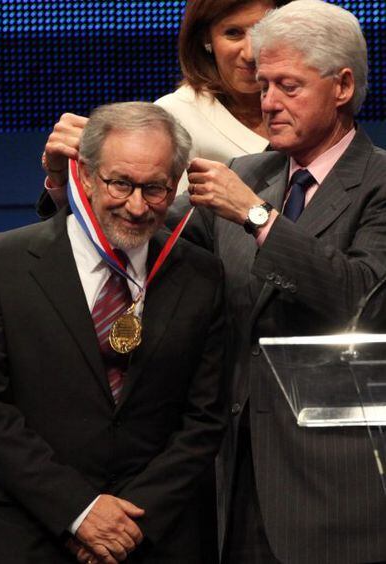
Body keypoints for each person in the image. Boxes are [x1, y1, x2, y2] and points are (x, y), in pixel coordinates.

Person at [168, 1, 386, 562]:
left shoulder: (379, 184)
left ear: (341, 86)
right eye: (263, 86)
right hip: (234, 483)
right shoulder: (250, 175)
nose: (268, 104)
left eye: (288, 86)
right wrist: (68, 187)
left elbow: (359, 301)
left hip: (338, 496)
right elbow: (159, 253)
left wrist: (259, 219)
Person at [0, 102, 226, 564]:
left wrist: (129, 524)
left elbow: (205, 419)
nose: (135, 204)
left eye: (154, 188)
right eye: (120, 183)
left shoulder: (202, 276)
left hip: (158, 536)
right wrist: (78, 511)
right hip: (29, 533)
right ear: (85, 176)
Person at [36, 0, 291, 218]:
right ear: (206, 39)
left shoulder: (308, 107)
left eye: (262, 32)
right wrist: (61, 179)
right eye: (233, 33)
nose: (250, 52)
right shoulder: (175, 117)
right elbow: (144, 221)